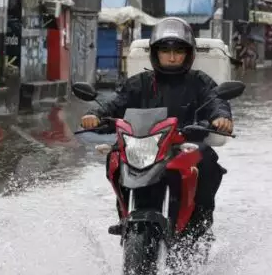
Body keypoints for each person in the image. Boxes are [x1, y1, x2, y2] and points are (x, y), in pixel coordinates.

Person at [80, 17, 233, 242]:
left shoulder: (199, 81)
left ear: (188, 54)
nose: (172, 57)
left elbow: (216, 100)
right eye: (165, 51)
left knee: (208, 162)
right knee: (114, 156)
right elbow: (114, 102)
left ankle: (199, 224)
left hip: (183, 145)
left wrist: (221, 118)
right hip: (144, 145)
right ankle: (125, 214)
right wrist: (94, 115)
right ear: (155, 53)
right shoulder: (138, 82)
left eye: (178, 51)